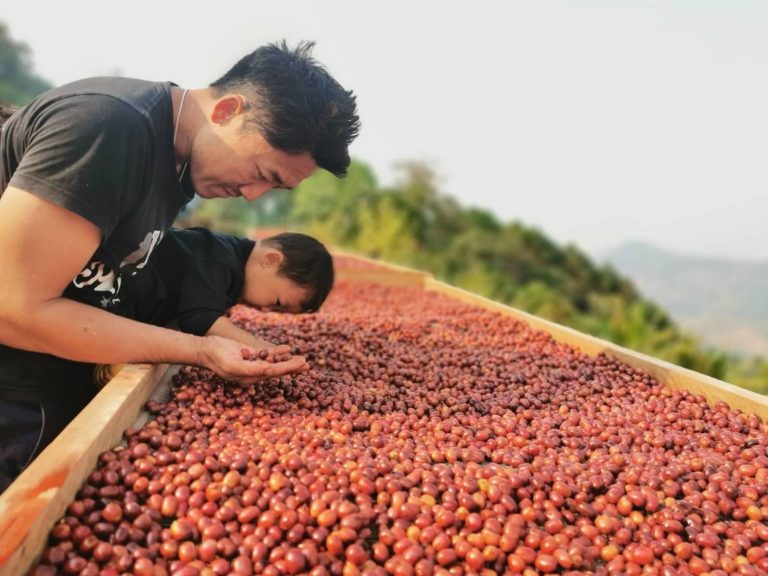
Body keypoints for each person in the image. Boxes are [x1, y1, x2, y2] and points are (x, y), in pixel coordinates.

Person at [0, 40, 359, 491]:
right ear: (228, 110)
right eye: (264, 174)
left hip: (49, 380)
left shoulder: (177, 164)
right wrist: (199, 349)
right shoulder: (110, 129)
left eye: (274, 189)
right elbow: (14, 310)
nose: (253, 196)